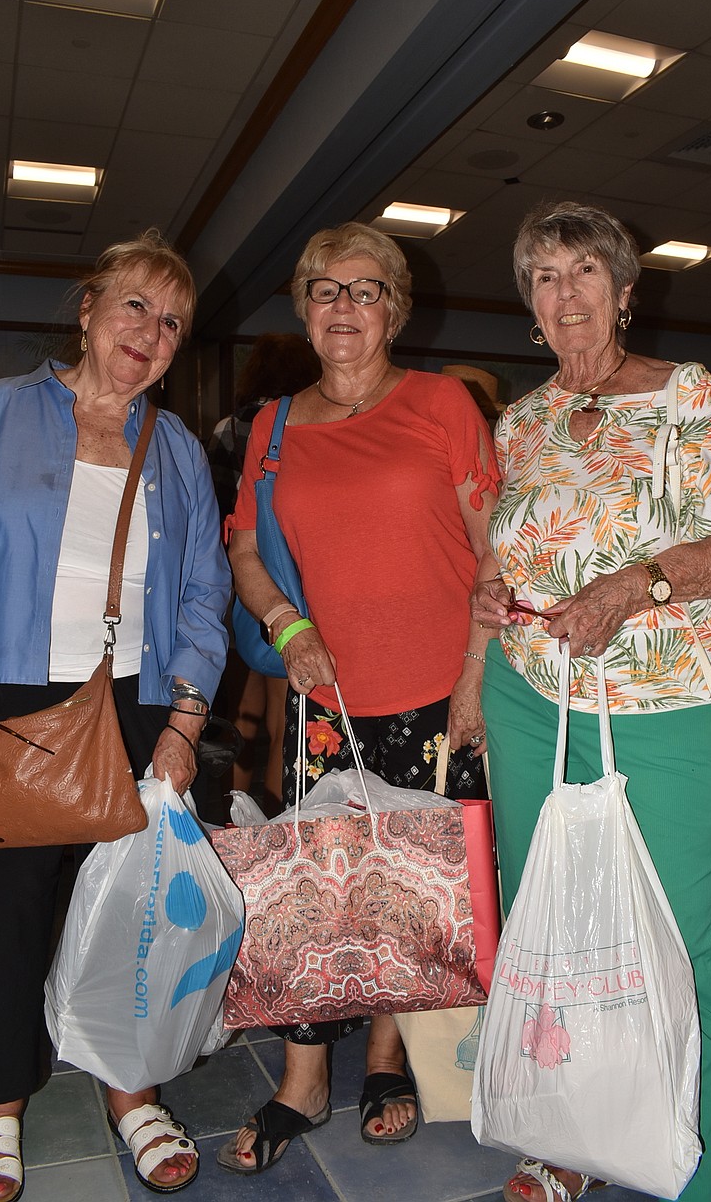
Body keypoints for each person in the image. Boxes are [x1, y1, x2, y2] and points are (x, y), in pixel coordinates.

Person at [0, 230, 230, 1200]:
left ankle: (129, 1088)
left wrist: (183, 721)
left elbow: (201, 598)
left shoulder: (174, 448)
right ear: (88, 309)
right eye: (135, 305)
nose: (151, 331)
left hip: (135, 708)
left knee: (128, 914)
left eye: (172, 320)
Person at [470, 200, 711, 1202]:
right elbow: (506, 553)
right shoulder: (520, 421)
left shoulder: (693, 400)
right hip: (529, 700)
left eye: (584, 272)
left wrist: (635, 585)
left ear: (624, 292)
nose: (566, 296)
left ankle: (689, 1178)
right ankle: (573, 1141)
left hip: (665, 705)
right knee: (554, 925)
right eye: (544, 279)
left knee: (675, 951)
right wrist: (489, 596)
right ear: (529, 308)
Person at [220, 221, 500, 1173]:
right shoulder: (273, 426)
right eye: (325, 289)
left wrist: (474, 673)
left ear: (397, 308)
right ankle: (303, 1082)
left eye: (366, 288)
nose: (344, 306)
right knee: (319, 887)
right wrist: (286, 627)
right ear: (302, 307)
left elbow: (495, 547)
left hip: (437, 694)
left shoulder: (442, 403)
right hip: (325, 701)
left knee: (409, 887)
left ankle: (387, 1060)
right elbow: (249, 550)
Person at [206, 333, 320, 810]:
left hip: (237, 573)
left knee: (242, 702)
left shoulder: (227, 428)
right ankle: (273, 816)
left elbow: (213, 509)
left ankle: (234, 810)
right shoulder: (300, 424)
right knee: (283, 714)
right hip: (286, 578)